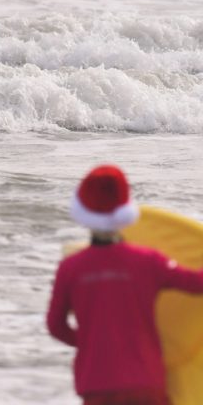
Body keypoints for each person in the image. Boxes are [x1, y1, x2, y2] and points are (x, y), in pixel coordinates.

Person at [47, 165, 203, 405]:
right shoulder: (148, 261)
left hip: (97, 384)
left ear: (82, 210)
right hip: (146, 382)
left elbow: (55, 325)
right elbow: (196, 283)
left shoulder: (71, 268)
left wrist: (92, 342)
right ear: (125, 210)